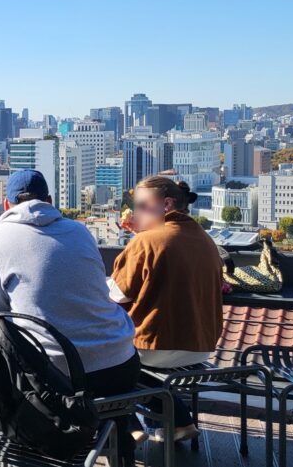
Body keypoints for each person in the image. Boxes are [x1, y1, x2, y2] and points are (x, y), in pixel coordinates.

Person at [0, 170, 140, 464]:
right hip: (121, 363)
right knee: (111, 408)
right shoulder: (79, 230)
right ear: (50, 201)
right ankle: (119, 438)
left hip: (61, 379)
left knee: (17, 379)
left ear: (6, 205)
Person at [110, 176, 224, 443]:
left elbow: (116, 296)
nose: (135, 212)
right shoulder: (205, 240)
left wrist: (138, 240)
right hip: (201, 345)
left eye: (141, 206)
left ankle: (125, 429)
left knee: (99, 359)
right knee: (128, 363)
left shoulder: (146, 242)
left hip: (157, 345)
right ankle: (177, 424)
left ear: (167, 204)